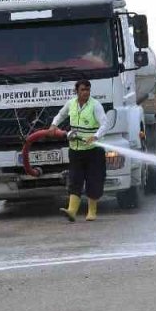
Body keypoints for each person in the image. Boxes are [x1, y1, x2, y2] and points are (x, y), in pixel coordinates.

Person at [50, 79, 108, 222]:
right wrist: (53, 125)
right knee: (75, 179)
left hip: (93, 150)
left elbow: (105, 124)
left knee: (93, 180)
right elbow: (61, 114)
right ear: (76, 91)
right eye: (83, 90)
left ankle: (92, 212)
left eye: (88, 90)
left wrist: (95, 136)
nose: (86, 93)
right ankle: (72, 211)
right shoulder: (71, 104)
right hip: (75, 150)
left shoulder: (95, 105)